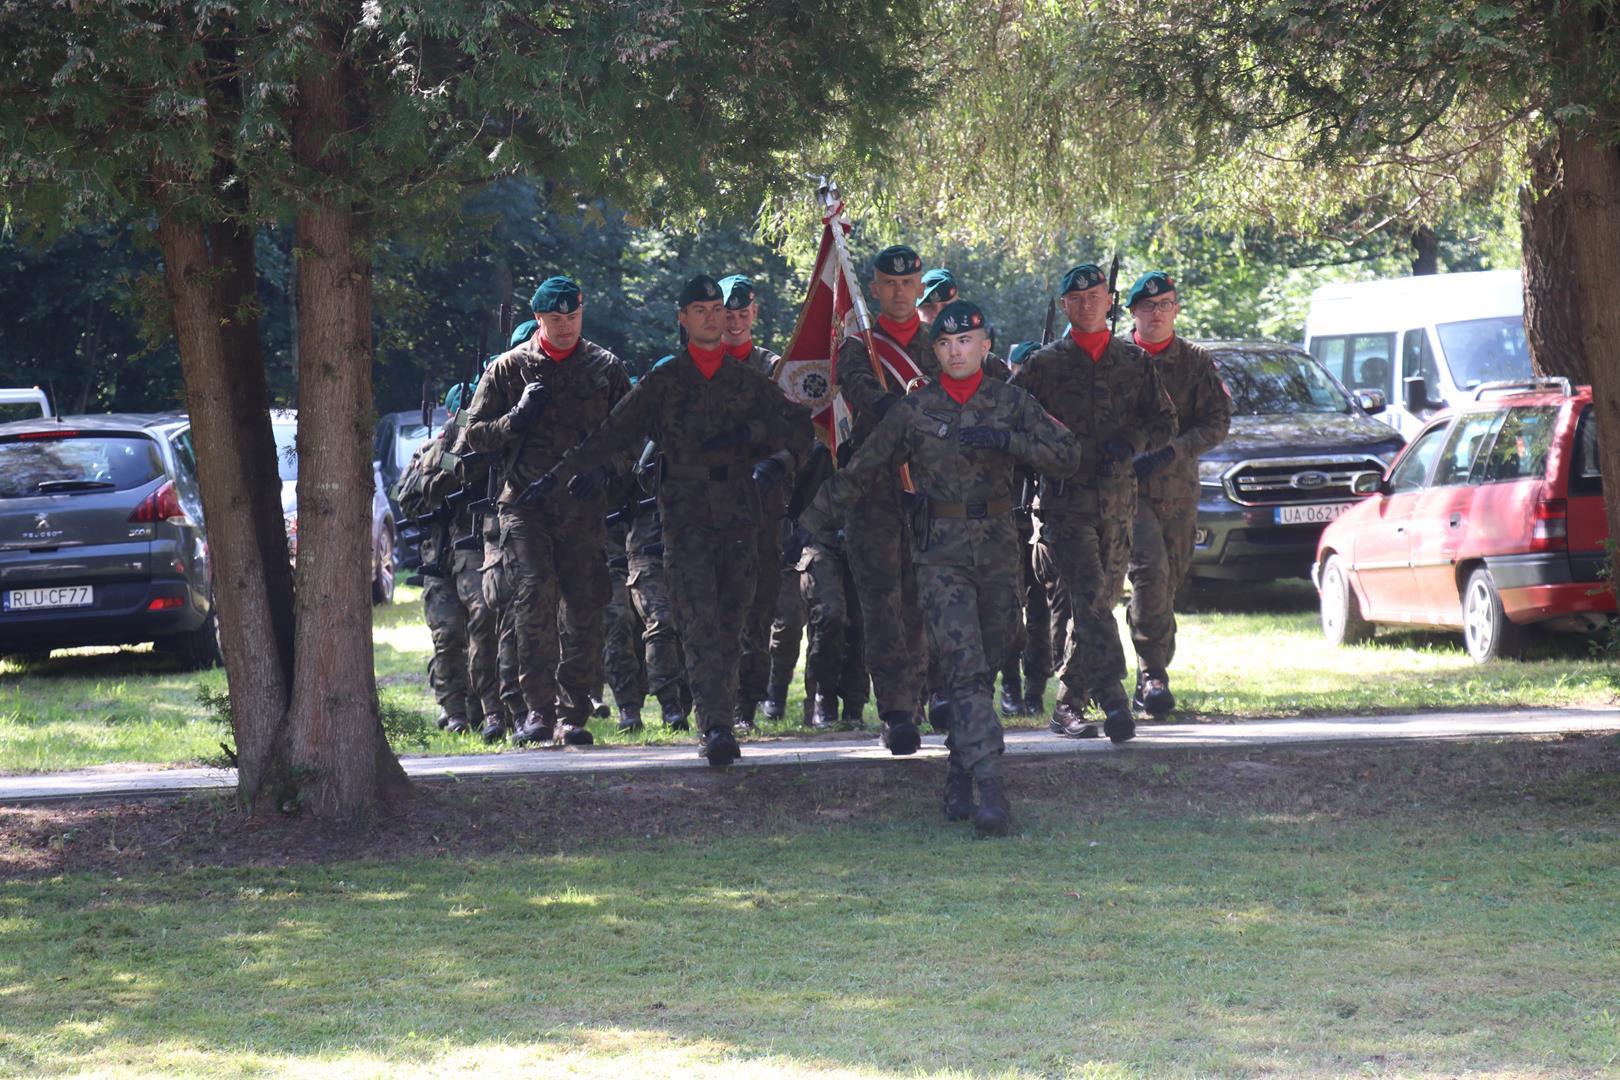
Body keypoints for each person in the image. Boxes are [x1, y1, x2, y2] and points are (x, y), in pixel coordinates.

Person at [792, 299, 1080, 834]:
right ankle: (991, 789)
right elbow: (861, 470)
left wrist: (1010, 442)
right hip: (940, 554)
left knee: (987, 662)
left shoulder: (1012, 402)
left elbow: (1068, 455)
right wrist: (808, 522)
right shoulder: (915, 410)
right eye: (945, 344)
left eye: (965, 341)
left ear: (985, 346)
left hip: (997, 552)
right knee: (964, 668)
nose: (955, 352)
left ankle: (958, 769)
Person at [527, 274, 814, 766]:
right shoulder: (665, 380)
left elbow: (802, 432)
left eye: (717, 309)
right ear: (683, 318)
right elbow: (612, 434)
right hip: (684, 517)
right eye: (700, 310)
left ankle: (723, 716)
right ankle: (715, 726)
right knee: (697, 620)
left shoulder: (749, 383)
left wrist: (776, 461)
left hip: (739, 514)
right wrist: (558, 476)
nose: (712, 318)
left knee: (731, 621)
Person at [459, 276, 630, 748]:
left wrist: (606, 469)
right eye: (556, 319)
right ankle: (536, 709)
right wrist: (516, 418)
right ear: (538, 319)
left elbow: (633, 432)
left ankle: (573, 712)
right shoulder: (508, 369)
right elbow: (473, 435)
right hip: (525, 505)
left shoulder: (606, 367)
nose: (566, 326)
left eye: (573, 316)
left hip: (582, 507)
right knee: (534, 597)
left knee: (583, 605)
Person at [1010, 263, 1176, 744]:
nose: (1087, 305)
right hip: (1065, 506)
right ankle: (1115, 698)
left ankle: (1067, 705)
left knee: (1097, 603)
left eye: (1095, 296)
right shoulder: (1044, 365)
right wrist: (1048, 452)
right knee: (1088, 599)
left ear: (1109, 301)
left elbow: (1164, 421)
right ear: (1065, 305)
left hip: (1119, 505)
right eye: (1077, 299)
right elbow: (1012, 423)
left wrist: (1133, 442)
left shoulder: (1134, 362)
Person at [835, 244, 933, 755]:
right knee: (881, 604)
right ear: (874, 289)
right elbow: (859, 392)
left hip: (929, 493)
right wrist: (889, 405)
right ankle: (894, 710)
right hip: (873, 495)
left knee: (920, 602)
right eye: (889, 284)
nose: (899, 291)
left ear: (919, 287)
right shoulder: (858, 348)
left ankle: (917, 699)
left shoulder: (943, 344)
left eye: (907, 283)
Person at [1123, 271, 1232, 718]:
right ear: (1133, 312)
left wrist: (1174, 450)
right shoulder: (1117, 359)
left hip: (1179, 490)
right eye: (1148, 306)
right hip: (1129, 491)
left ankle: (1148, 672)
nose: (1157, 313)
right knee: (1149, 572)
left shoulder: (1195, 361)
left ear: (1176, 310)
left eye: (1165, 305)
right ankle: (1154, 673)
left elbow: (1217, 421)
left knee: (1168, 581)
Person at [718, 273, 788, 733]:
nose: (735, 322)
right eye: (727, 314)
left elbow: (800, 432)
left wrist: (777, 462)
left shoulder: (775, 369)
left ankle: (745, 705)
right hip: (708, 508)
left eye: (743, 313)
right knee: (712, 610)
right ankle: (712, 704)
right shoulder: (699, 364)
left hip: (763, 509)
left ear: (754, 313)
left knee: (757, 611)